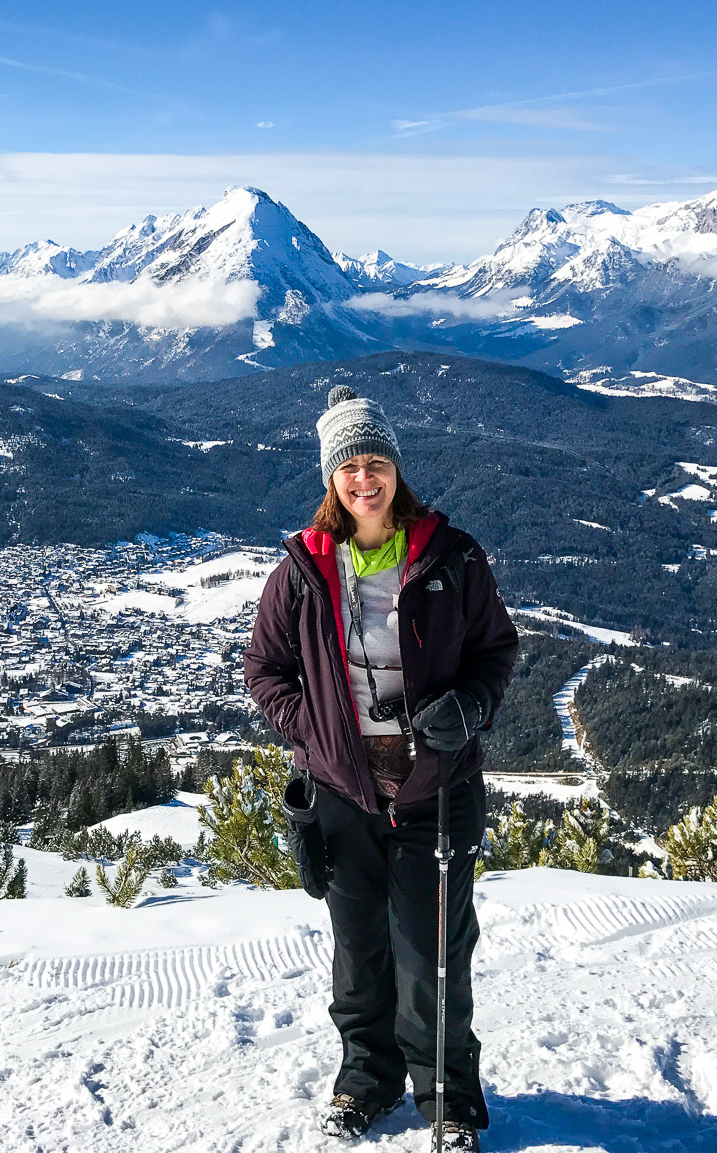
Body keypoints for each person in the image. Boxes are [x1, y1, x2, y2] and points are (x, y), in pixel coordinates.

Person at [243, 384, 518, 1152]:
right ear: (331, 480)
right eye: (348, 467)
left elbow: (498, 652)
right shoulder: (302, 568)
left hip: (438, 789)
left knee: (432, 953)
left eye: (376, 463)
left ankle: (449, 1100)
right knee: (359, 953)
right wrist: (318, 734)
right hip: (343, 792)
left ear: (396, 468)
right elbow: (263, 669)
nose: (364, 479)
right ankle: (366, 1080)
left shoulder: (451, 558)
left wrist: (470, 707)